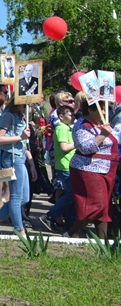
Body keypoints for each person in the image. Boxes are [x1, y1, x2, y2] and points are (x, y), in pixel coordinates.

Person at [65, 93, 118, 240]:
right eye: (100, 109)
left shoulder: (102, 125)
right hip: (88, 169)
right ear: (90, 110)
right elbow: (85, 147)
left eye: (105, 109)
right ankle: (71, 233)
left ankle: (102, 242)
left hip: (106, 170)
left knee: (104, 208)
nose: (104, 113)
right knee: (96, 205)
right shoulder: (81, 125)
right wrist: (102, 135)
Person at [0, 96, 32, 236]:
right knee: (16, 197)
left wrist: (31, 163)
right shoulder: (8, 116)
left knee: (24, 198)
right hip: (12, 158)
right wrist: (20, 137)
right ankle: (19, 230)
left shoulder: (21, 116)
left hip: (20, 157)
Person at [42, 103, 77, 230]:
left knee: (73, 195)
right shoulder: (61, 128)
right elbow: (64, 147)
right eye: (70, 114)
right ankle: (50, 215)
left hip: (70, 164)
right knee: (71, 194)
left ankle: (69, 220)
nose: (73, 116)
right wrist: (77, 143)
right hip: (65, 165)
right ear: (61, 116)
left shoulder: (67, 127)